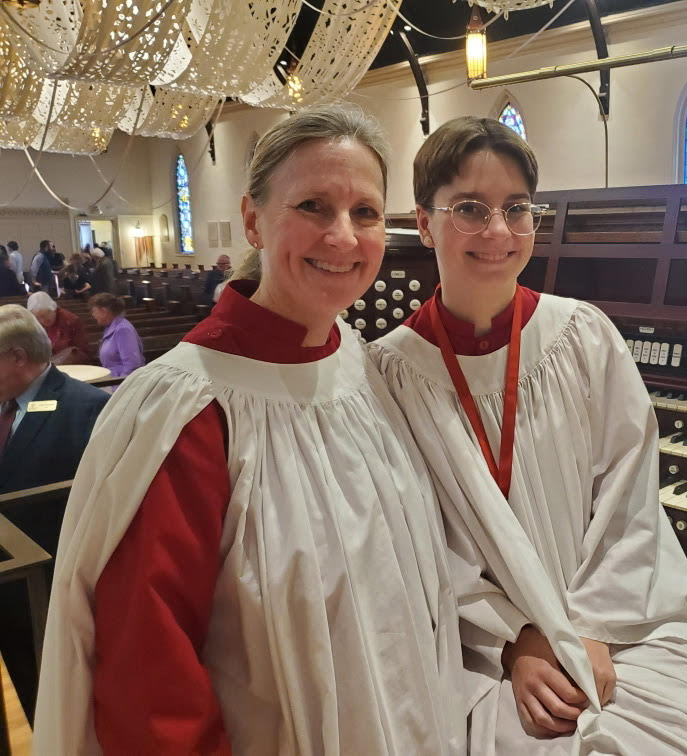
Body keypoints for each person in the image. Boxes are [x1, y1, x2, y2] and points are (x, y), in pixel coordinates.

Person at [34, 105, 466, 755]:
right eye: (314, 206)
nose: (343, 237)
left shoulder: (363, 367)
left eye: (366, 213)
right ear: (251, 220)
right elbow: (150, 679)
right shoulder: (187, 409)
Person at [369, 117, 687, 754]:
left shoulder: (583, 336)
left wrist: (592, 627)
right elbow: (414, 545)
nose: (497, 231)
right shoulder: (391, 374)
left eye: (515, 209)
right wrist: (516, 639)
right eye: (470, 208)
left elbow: (630, 498)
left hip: (621, 619)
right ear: (426, 220)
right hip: (480, 648)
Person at [0, 305, 109, 715]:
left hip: (48, 591)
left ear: (18, 357)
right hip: (7, 586)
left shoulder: (89, 410)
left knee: (59, 705)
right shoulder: (3, 400)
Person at [88, 293, 145, 377]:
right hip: (112, 380)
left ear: (104, 311)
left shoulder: (122, 329)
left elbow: (132, 365)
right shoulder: (111, 327)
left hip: (120, 384)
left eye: (94, 311)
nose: (93, 315)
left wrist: (118, 388)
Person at [27, 291, 92, 364]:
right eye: (38, 317)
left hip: (72, 365)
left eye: (45, 315)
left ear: (54, 309)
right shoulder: (37, 324)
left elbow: (82, 351)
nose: (43, 320)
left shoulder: (70, 320)